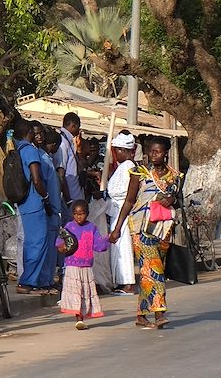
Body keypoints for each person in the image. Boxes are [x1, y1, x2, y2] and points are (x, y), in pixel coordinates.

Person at [109, 136, 178, 329]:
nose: (154, 155)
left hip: (163, 230)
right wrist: (117, 230)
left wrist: (171, 200)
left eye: (158, 152)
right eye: (151, 151)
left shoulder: (174, 176)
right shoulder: (138, 172)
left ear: (166, 153)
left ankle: (141, 315)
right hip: (141, 229)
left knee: (150, 272)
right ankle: (159, 314)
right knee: (155, 270)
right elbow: (130, 201)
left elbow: (178, 201)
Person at [14, 120, 54, 294]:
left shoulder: (19, 149)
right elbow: (36, 179)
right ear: (29, 132)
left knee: (32, 242)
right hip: (34, 202)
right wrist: (45, 197)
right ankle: (27, 281)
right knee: (38, 243)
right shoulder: (30, 150)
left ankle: (32, 280)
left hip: (25, 203)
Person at [57, 199, 109, 330]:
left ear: (87, 213)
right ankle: (78, 318)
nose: (78, 216)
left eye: (81, 214)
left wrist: (109, 239)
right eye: (75, 214)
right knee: (75, 291)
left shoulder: (92, 228)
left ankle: (82, 317)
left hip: (86, 267)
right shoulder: (69, 227)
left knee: (85, 292)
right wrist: (62, 248)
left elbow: (99, 246)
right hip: (72, 266)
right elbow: (59, 243)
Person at [31, 121, 64, 291]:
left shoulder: (45, 156)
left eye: (41, 133)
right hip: (47, 206)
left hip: (53, 206)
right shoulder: (36, 156)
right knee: (45, 246)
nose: (40, 137)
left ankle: (47, 278)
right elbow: (39, 182)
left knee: (51, 245)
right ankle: (43, 280)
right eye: (36, 134)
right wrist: (47, 202)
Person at [106, 131, 137, 296]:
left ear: (123, 150)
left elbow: (128, 198)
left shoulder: (129, 167)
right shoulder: (122, 168)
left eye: (118, 150)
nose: (116, 153)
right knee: (117, 248)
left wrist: (118, 226)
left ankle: (128, 284)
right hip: (115, 211)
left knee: (123, 247)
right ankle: (121, 282)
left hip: (123, 213)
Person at [54, 112, 84, 221]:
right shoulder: (62, 143)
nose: (78, 130)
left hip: (73, 192)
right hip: (69, 196)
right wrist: (68, 199)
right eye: (78, 127)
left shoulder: (68, 140)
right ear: (73, 126)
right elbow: (61, 174)